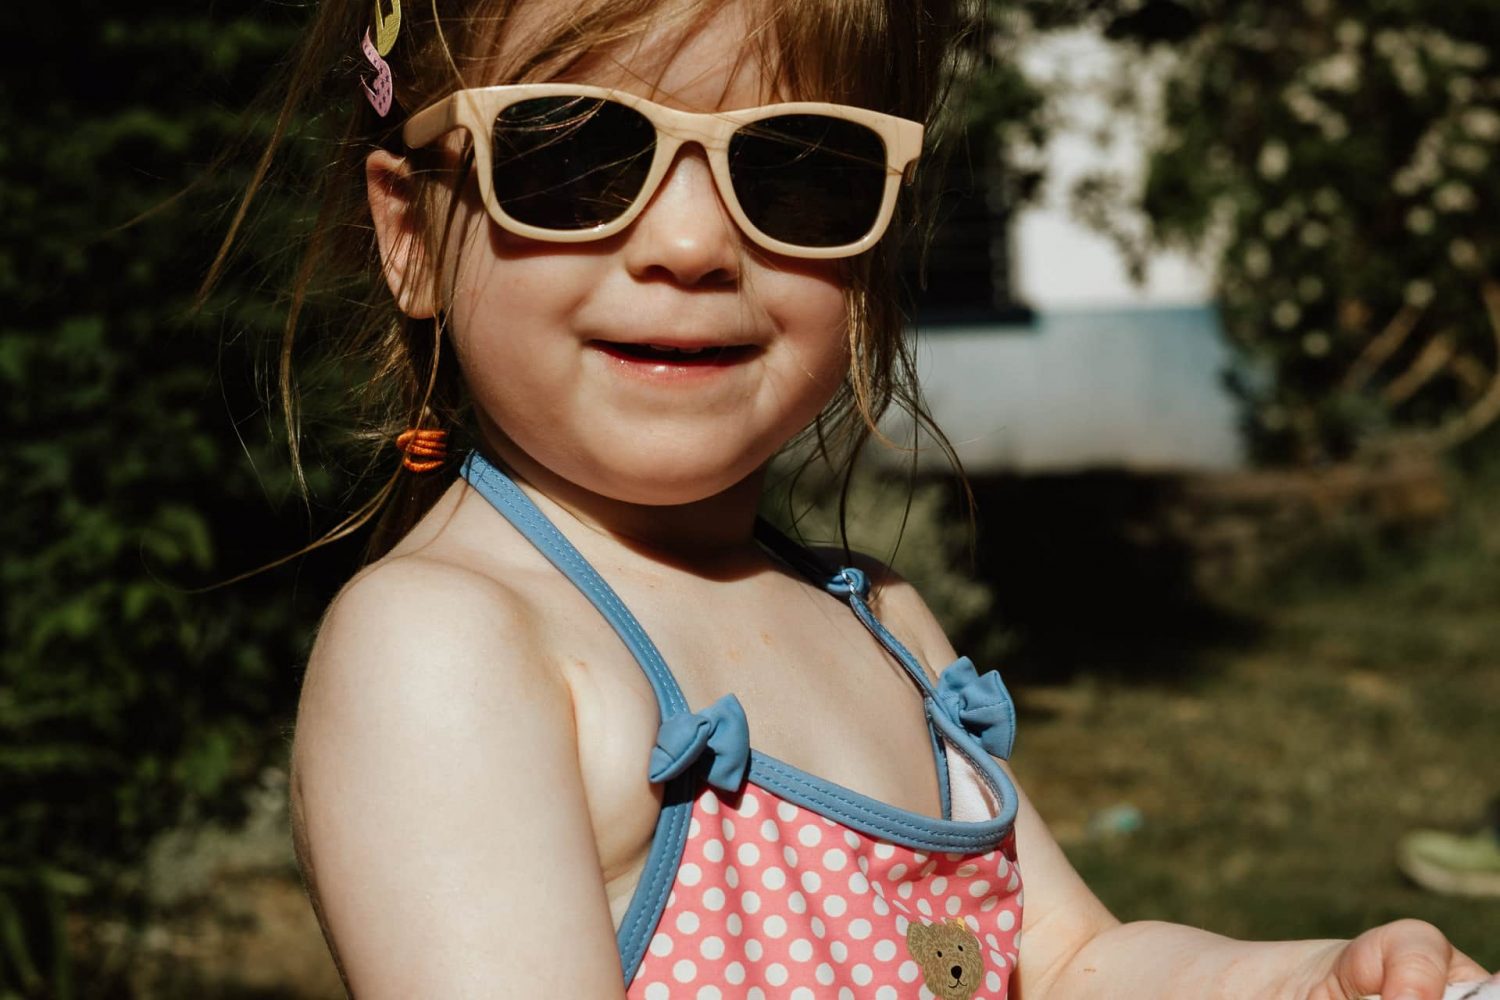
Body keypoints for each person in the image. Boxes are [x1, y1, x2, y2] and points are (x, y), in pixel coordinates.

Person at [214, 0, 1493, 995]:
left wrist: (1298, 982)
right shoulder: (450, 649)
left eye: (797, 170)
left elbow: (1070, 964)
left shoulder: (883, 620)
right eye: (576, 155)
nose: (692, 245)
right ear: (407, 231)